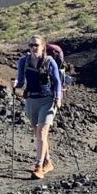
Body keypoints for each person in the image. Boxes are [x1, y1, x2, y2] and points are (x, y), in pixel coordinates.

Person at [12, 34, 66, 179]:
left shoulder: (49, 62)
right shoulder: (23, 61)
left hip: (48, 100)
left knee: (42, 132)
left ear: (43, 46)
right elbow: (22, 82)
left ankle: (39, 166)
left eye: (36, 45)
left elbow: (57, 82)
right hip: (31, 99)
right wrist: (16, 84)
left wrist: (58, 98)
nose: (33, 48)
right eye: (30, 45)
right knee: (38, 133)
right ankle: (48, 162)